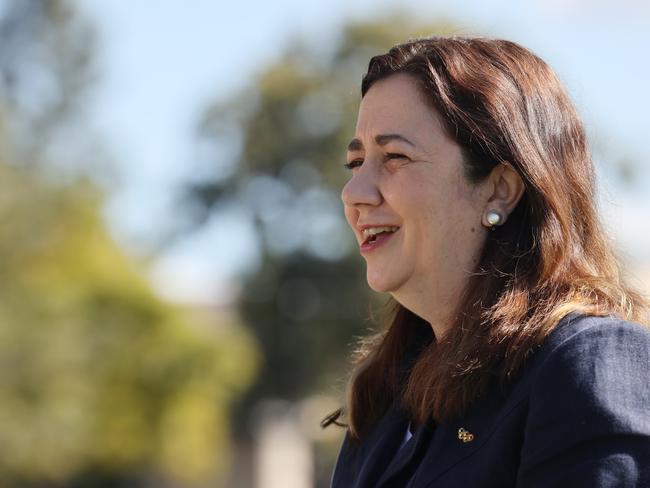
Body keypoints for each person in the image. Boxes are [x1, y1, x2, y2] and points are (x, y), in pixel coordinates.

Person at [322, 36, 650, 487]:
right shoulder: (385, 401)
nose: (354, 193)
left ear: (500, 190)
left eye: (395, 157)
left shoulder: (588, 363)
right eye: (356, 162)